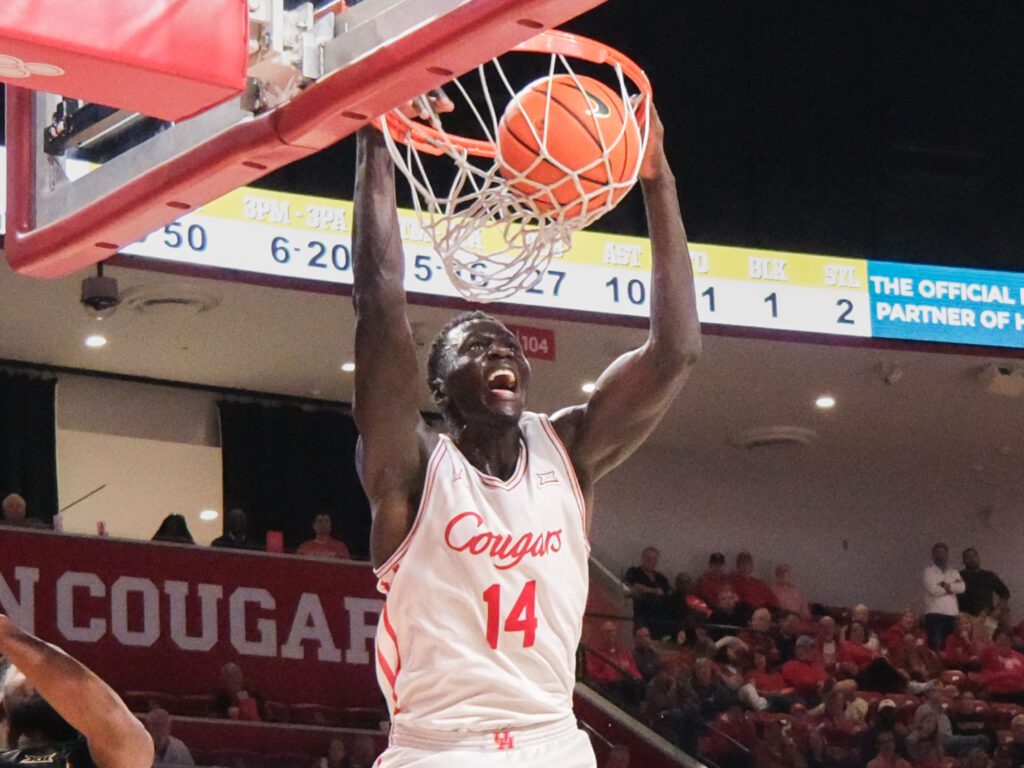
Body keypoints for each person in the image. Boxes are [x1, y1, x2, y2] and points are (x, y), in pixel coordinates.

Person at [352, 98, 700, 768]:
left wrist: (658, 181)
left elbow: (676, 352)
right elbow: (379, 308)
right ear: (441, 387)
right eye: (477, 348)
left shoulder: (567, 450)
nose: (502, 355)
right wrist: (376, 140)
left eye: (510, 347)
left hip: (551, 741)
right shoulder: (414, 467)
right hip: (441, 748)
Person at [0, 612, 153, 768]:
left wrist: (6, 634)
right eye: (21, 669)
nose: (33, 677)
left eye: (48, 675)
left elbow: (118, 730)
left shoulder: (100, 754)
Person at [584, 622, 645, 712]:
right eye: (608, 632)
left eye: (613, 631)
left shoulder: (624, 653)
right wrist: (611, 670)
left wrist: (629, 672)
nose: (611, 634)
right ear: (602, 635)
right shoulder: (595, 654)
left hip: (629, 687)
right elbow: (594, 676)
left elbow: (636, 674)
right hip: (609, 688)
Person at [923, 542, 965, 651]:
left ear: (947, 554)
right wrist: (952, 587)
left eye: (943, 552)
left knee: (950, 647)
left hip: (952, 614)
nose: (940, 555)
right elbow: (934, 590)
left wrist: (945, 585)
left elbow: (962, 588)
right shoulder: (928, 571)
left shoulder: (954, 572)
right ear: (933, 555)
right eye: (937, 552)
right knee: (936, 646)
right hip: (935, 613)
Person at [623, 546, 671, 637]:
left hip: (658, 618)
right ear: (642, 558)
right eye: (647, 558)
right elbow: (631, 588)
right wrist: (654, 591)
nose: (650, 561)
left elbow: (664, 592)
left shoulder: (660, 577)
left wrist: (646, 589)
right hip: (641, 615)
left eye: (653, 559)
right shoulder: (634, 572)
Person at [959, 548, 1010, 624]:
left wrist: (997, 609)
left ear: (978, 558)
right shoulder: (958, 576)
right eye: (968, 557)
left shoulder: (989, 575)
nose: (971, 559)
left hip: (987, 615)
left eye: (974, 556)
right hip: (965, 617)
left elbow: (1005, 593)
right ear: (963, 560)